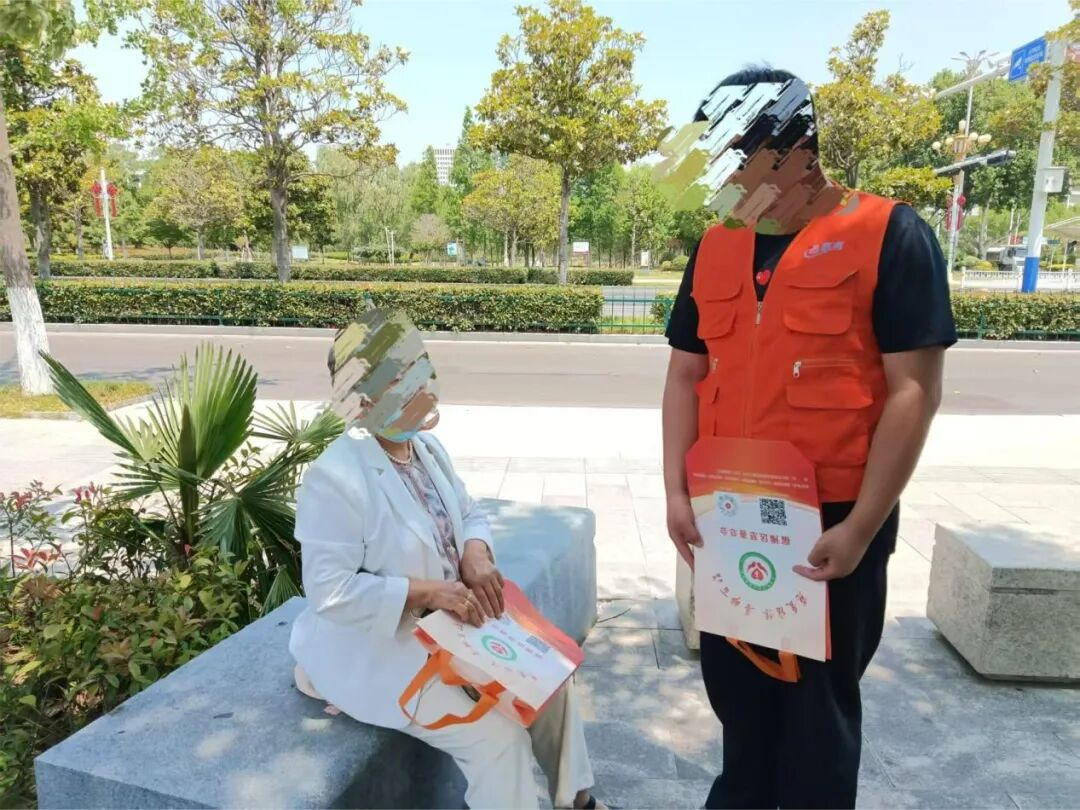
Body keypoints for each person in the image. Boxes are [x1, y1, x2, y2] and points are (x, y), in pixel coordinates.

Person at [661, 66, 957, 809]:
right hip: (731, 513)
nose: (722, 179)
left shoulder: (888, 234)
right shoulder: (717, 245)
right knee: (738, 700)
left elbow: (913, 391)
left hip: (832, 522)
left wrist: (861, 528)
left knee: (817, 716)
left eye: (735, 158)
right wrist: (675, 492)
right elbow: (685, 374)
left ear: (797, 152)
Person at [288, 309, 605, 810]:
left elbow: (468, 511)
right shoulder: (336, 478)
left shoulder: (426, 448)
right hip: (386, 648)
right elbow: (330, 591)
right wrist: (429, 591)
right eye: (401, 377)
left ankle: (578, 802)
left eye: (420, 367)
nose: (421, 385)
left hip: (455, 629)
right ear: (362, 399)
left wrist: (476, 551)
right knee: (498, 740)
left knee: (550, 684)